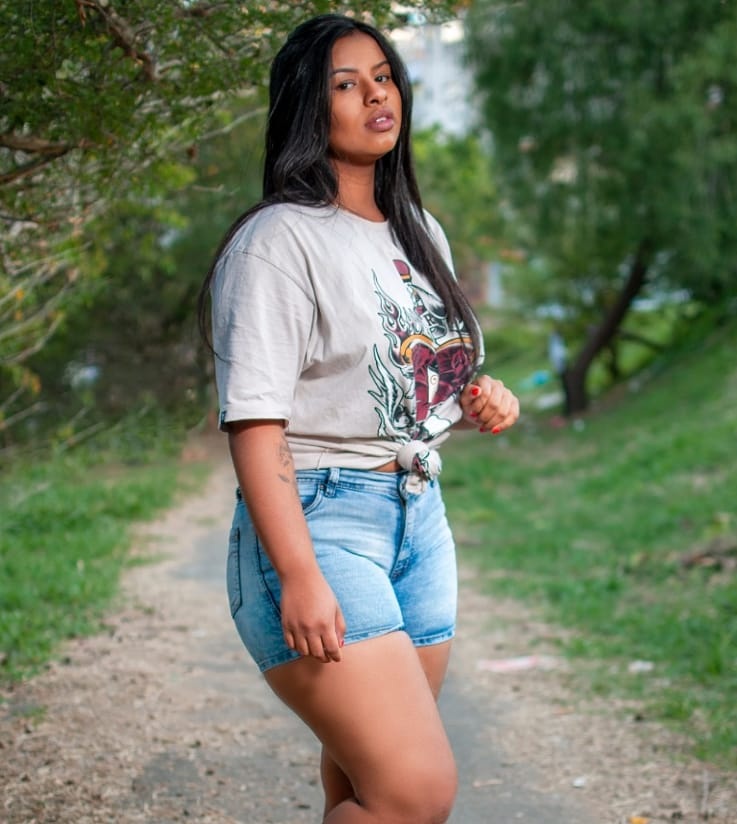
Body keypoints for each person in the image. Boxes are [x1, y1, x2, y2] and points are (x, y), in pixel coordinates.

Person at [197, 14, 520, 824]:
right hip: (321, 523)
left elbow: (413, 384)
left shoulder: (419, 230)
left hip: (417, 520)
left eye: (382, 76)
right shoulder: (277, 241)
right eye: (346, 84)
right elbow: (254, 424)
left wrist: (480, 398)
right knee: (415, 795)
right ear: (309, 108)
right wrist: (298, 574)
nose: (376, 94)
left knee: (364, 789)